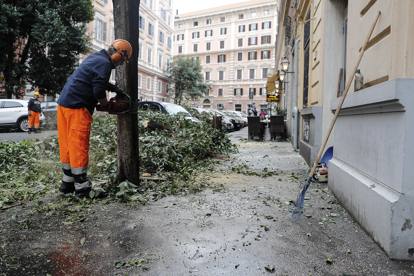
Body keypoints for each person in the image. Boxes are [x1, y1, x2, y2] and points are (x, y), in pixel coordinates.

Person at [57, 39, 133, 197]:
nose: (120, 64)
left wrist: (114, 88)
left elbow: (96, 79)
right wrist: (106, 105)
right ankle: (83, 189)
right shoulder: (105, 64)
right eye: (122, 61)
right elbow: (98, 90)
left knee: (67, 144)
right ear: (119, 55)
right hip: (78, 106)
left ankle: (67, 185)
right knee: (78, 145)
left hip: (64, 104)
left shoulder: (95, 58)